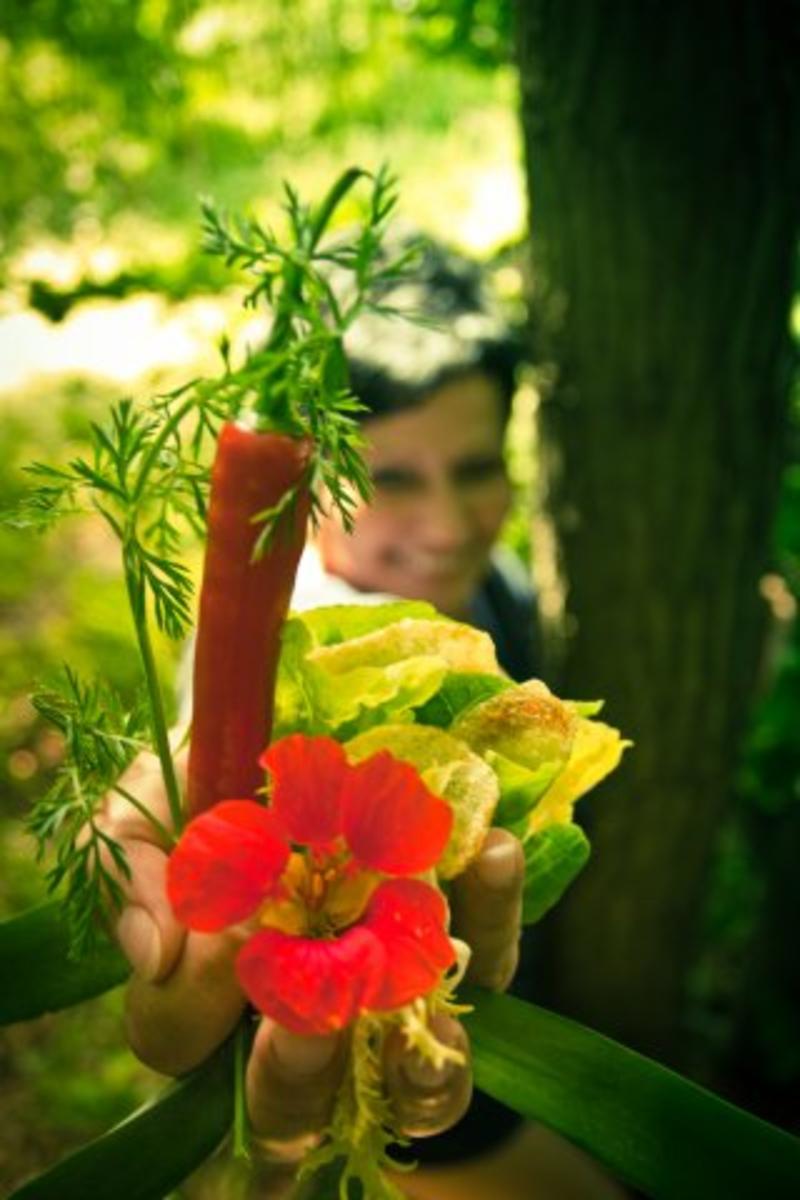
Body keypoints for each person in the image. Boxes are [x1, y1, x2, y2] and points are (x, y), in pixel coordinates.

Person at [106, 231, 624, 1199]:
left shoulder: (497, 585)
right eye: (389, 481)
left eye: (475, 469)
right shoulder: (286, 668)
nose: (446, 526)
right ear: (306, 479)